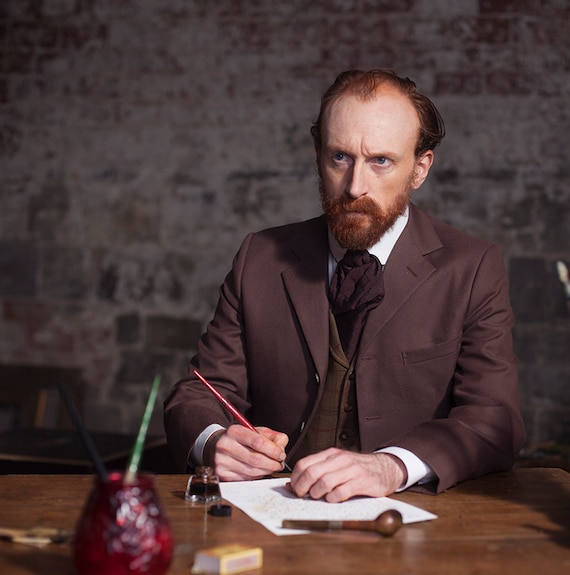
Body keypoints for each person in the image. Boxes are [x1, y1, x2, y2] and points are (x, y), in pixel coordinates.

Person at [164, 69, 525, 502]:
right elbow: (198, 392)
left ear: (420, 168)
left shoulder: (472, 268)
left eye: (381, 161)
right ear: (318, 153)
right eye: (340, 157)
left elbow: (495, 421)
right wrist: (213, 441)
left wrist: (391, 466)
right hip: (272, 512)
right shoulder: (259, 257)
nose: (355, 186)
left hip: (408, 521)